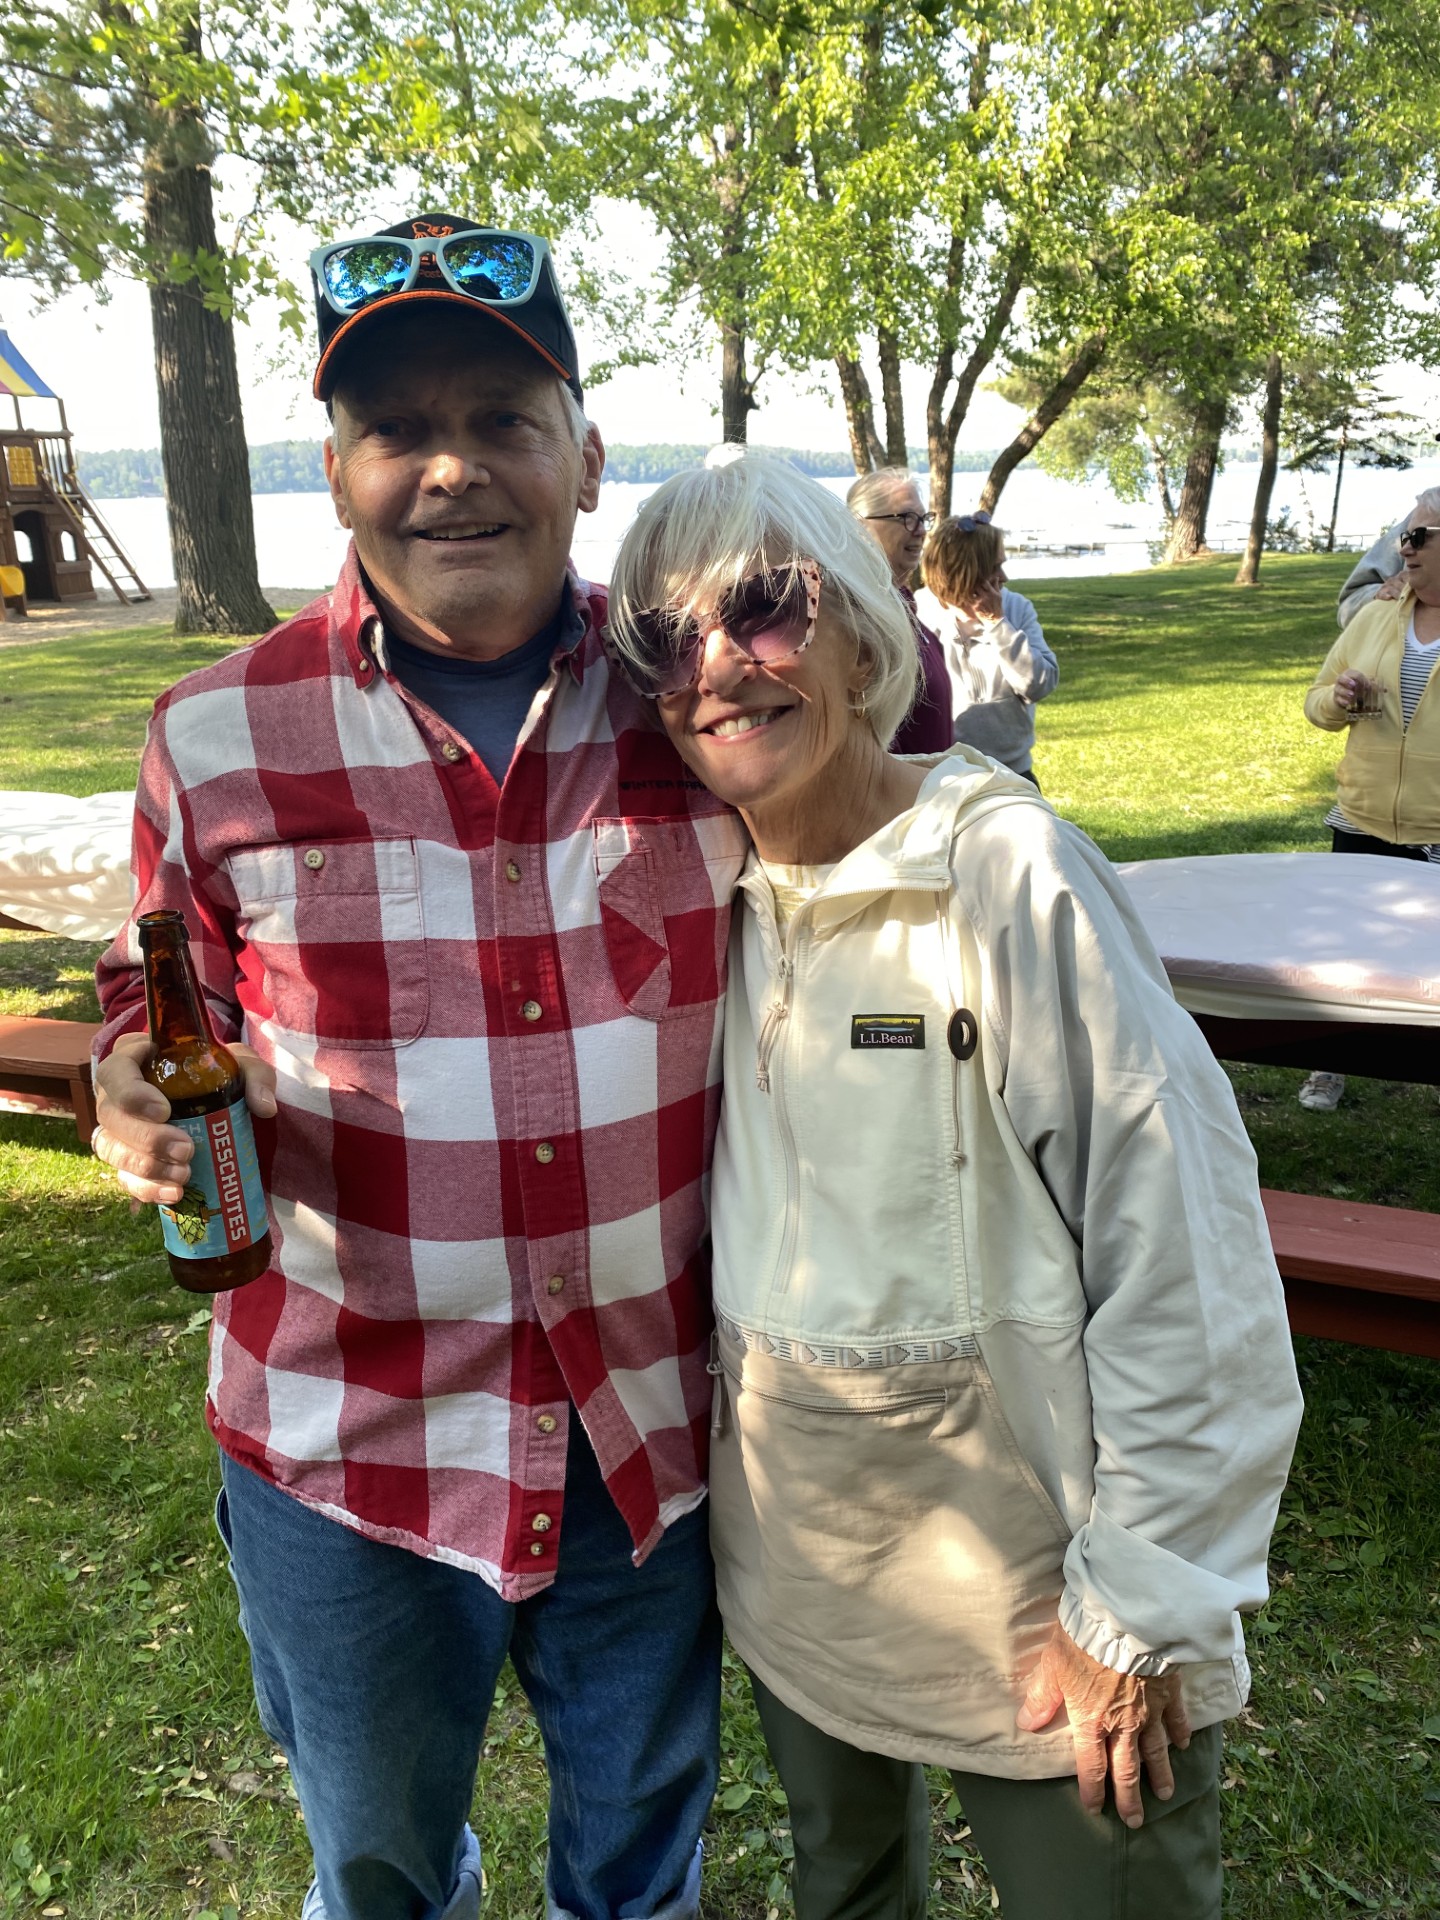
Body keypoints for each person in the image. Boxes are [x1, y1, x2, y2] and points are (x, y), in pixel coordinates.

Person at [87, 213, 750, 1920]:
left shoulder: (702, 708)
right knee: (379, 1876)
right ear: (337, 473)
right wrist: (128, 1075)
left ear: (586, 458)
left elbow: (877, 788)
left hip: (650, 1426)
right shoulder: (212, 731)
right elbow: (155, 984)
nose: (451, 469)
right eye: (398, 429)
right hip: (346, 1444)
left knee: (642, 1872)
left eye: (502, 420)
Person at [604, 451, 1302, 1920]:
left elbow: (1187, 1257)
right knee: (845, 1888)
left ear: (862, 637)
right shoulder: (706, 904)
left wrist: (1144, 1599)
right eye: (667, 637)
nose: (718, 665)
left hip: (1045, 1593)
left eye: (765, 607)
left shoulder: (1008, 876)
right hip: (805, 1573)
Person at [1297, 485, 1440, 1113]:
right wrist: (1337, 699)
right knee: (1344, 950)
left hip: (1436, 831)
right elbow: (1317, 699)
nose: (1402, 549)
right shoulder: (1378, 614)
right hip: (1361, 819)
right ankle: (1330, 1065)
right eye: (1405, 535)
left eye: (1418, 537)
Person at [920, 509, 1058, 785]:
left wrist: (997, 624)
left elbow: (1039, 685)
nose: (1003, 577)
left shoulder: (1016, 608)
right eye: (995, 567)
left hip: (1012, 772)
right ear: (964, 571)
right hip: (944, 777)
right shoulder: (921, 613)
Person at [845, 466, 952, 753]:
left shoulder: (903, 606)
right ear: (859, 525)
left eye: (923, 518)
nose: (921, 531)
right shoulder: (855, 617)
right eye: (906, 518)